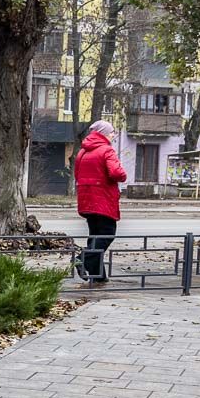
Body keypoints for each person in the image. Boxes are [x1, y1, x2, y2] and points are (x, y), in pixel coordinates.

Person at [74, 120, 127, 286]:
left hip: (86, 199)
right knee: (107, 233)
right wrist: (122, 173)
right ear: (103, 133)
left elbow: (77, 174)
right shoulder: (106, 150)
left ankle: (98, 275)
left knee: (95, 235)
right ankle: (82, 259)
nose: (113, 135)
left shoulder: (82, 152)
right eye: (111, 132)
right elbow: (117, 173)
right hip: (102, 199)